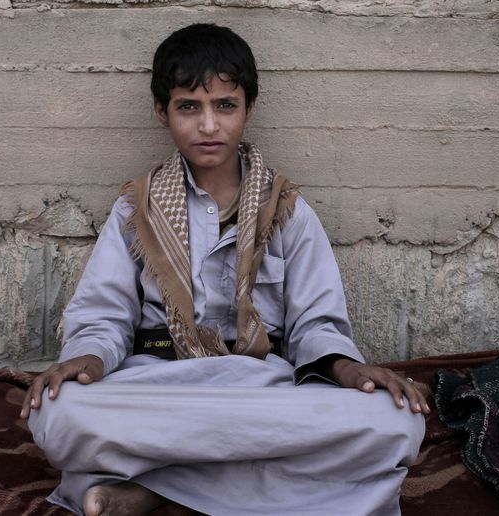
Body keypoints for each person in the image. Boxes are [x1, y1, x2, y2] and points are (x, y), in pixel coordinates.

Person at [21, 23, 429, 516]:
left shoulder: (287, 209)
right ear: (161, 111)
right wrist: (87, 359)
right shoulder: (136, 210)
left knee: (396, 423)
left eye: (225, 106)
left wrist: (348, 368)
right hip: (158, 385)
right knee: (59, 414)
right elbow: (104, 316)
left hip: (261, 388)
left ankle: (153, 492)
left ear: (248, 108)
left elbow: (317, 324)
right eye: (189, 107)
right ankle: (251, 487)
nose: (209, 126)